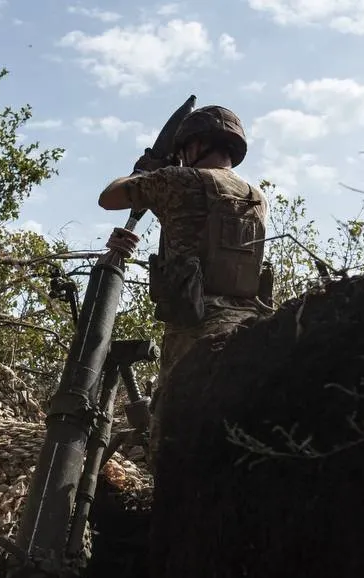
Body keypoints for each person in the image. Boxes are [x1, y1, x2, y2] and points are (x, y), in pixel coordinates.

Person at [97, 105, 271, 467]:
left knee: (173, 442)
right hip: (251, 328)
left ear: (198, 145)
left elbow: (109, 197)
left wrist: (145, 170)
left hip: (195, 332)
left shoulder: (179, 181)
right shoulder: (257, 197)